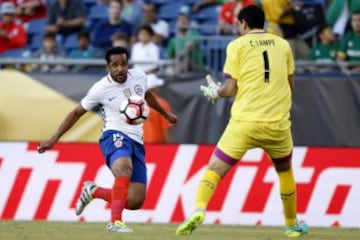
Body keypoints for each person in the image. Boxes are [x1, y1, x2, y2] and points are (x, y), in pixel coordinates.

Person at [175, 5, 308, 238]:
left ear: (243, 24)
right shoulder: (283, 45)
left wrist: (216, 92)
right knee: (285, 172)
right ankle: (291, 225)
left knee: (214, 170)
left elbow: (231, 88)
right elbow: (291, 85)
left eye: (238, 24)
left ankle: (199, 210)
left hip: (244, 122)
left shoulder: (236, 45)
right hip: (277, 124)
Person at [37, 47, 178, 232]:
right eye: (115, 65)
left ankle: (93, 191)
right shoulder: (100, 88)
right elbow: (76, 112)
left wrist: (165, 114)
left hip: (136, 139)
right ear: (107, 67)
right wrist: (53, 139)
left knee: (135, 200)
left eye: (123, 64)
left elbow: (146, 95)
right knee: (124, 167)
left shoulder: (140, 77)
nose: (120, 69)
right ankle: (115, 222)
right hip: (113, 134)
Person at [143, 74, 173, 144]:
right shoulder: (162, 104)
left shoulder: (137, 104)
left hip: (141, 147)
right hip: (158, 146)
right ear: (154, 89)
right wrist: (171, 148)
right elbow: (166, 130)